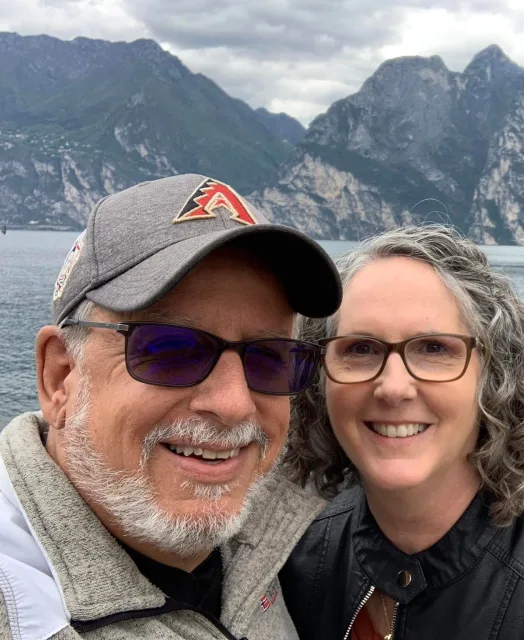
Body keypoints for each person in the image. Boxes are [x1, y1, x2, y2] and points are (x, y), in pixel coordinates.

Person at [0, 174, 342, 640]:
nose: (234, 404)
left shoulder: (285, 538)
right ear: (60, 376)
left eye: (270, 358)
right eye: (170, 350)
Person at [281, 225, 524, 640]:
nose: (394, 387)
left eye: (434, 348)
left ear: (493, 376)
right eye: (360, 349)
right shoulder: (298, 559)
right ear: (320, 379)